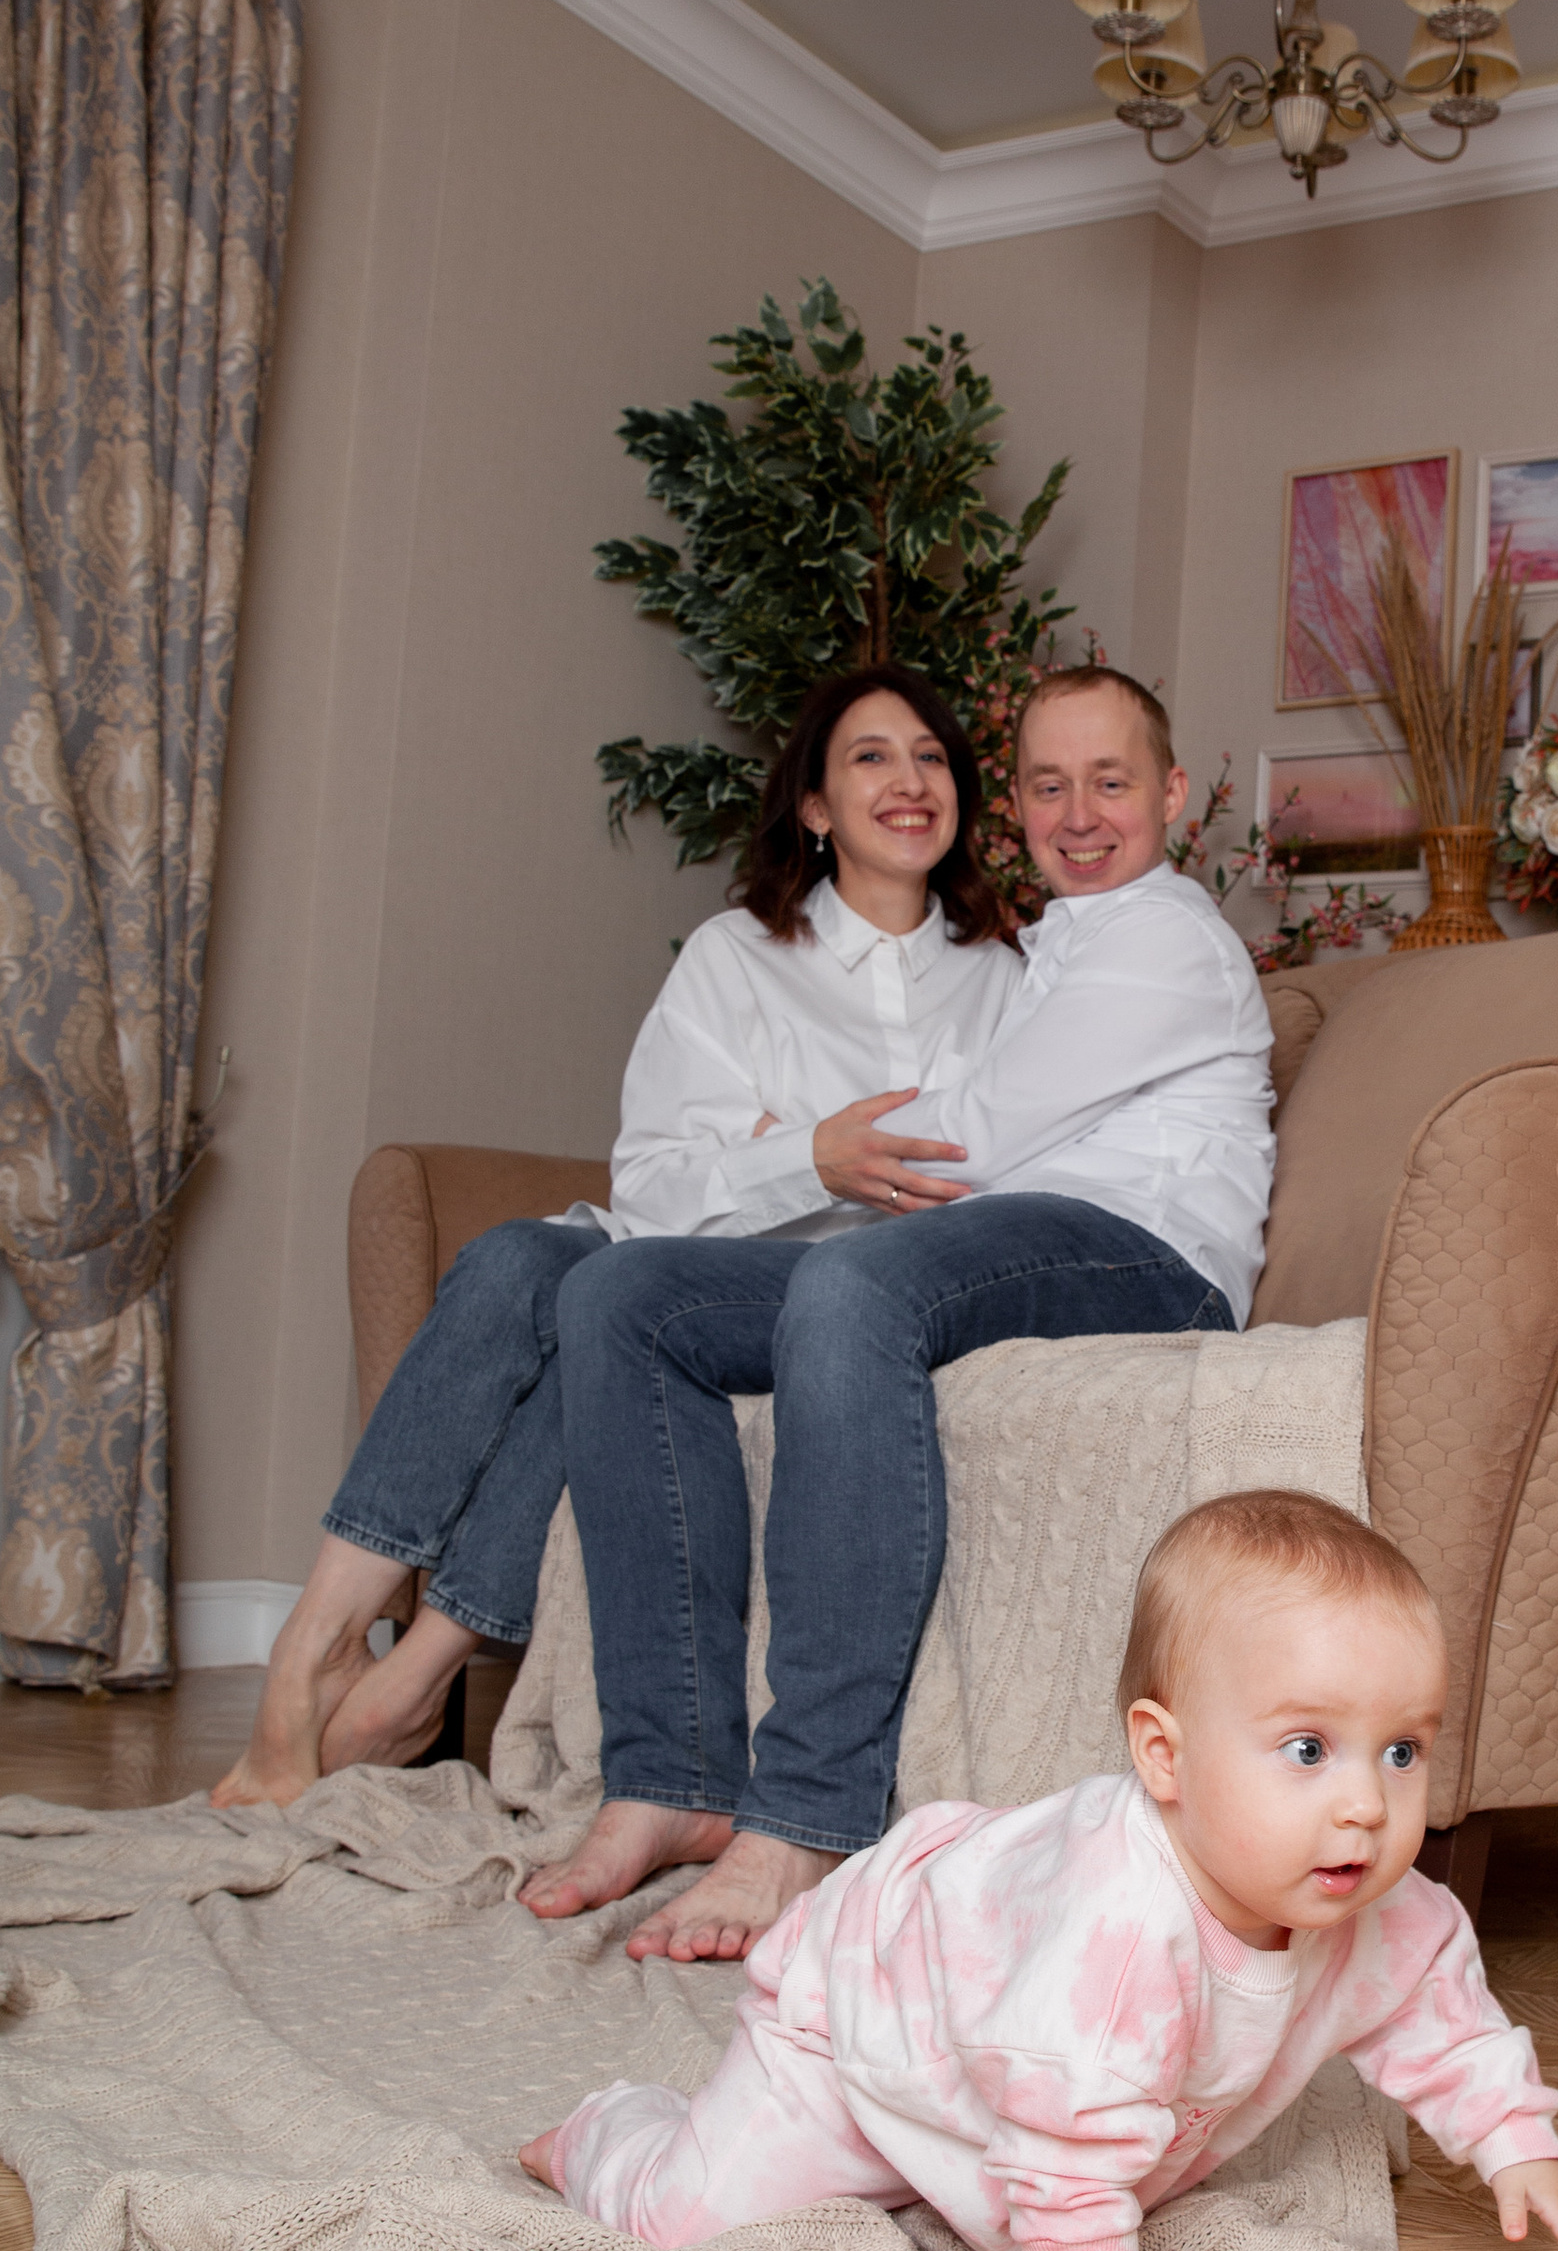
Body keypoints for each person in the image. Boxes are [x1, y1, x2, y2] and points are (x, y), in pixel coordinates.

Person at [522, 1490, 1558, 2251]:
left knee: (1052, 2141)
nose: (1364, 1805)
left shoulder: (1373, 1906)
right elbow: (1064, 2175)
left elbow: (1442, 2013)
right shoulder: (1114, 1947)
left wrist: (1516, 2144)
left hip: (1004, 2050)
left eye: (1402, 1751)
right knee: (686, 2223)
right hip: (866, 2029)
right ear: (1165, 1756)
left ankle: (941, 2155)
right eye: (1306, 1750)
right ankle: (602, 2135)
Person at [519, 663, 1274, 1962]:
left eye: (1110, 782)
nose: (1079, 813)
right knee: (624, 1296)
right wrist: (806, 1152)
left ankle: (808, 1811)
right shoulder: (1048, 948)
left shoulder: (1161, 937)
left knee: (854, 1279)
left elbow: (968, 1140)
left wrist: (796, 1147)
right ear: (1016, 806)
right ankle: (672, 1774)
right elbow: (961, 1158)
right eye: (1048, 785)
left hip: (1151, 1257)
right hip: (1018, 1242)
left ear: (1173, 794)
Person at [210, 667, 1016, 1807]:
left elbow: (987, 1188)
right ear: (817, 807)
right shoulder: (737, 958)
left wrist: (774, 1152)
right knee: (517, 1262)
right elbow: (650, 1183)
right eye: (872, 757)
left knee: (614, 1305)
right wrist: (808, 1159)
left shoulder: (1006, 985)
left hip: (829, 1295)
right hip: (669, 1254)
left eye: (931, 755)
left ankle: (405, 1679)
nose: (910, 779)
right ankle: (324, 1647)